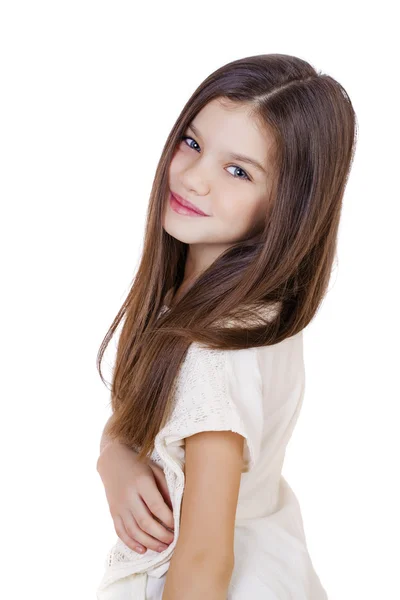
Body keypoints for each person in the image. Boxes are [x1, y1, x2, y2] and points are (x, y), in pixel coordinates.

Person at [95, 53, 358, 599]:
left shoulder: (215, 348)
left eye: (238, 171)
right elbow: (153, 426)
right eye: (192, 143)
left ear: (289, 204)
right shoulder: (246, 306)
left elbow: (206, 559)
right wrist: (115, 454)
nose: (193, 178)